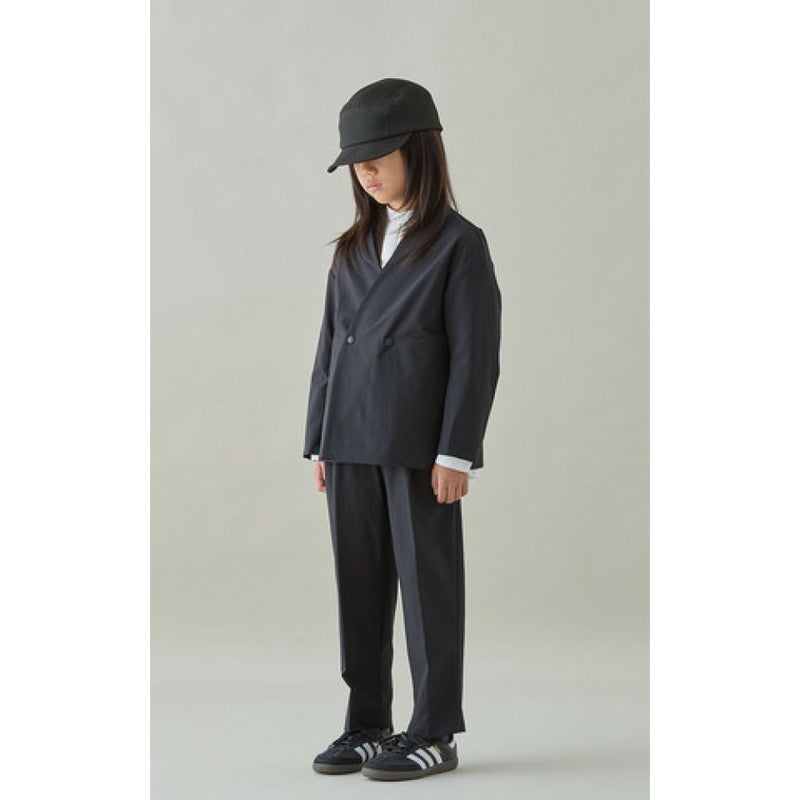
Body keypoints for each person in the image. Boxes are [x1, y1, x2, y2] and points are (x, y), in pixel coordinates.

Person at [303, 77, 502, 781]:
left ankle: (434, 729)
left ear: (418, 150)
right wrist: (319, 439)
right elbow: (329, 348)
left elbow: (476, 357)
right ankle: (367, 722)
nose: (365, 172)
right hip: (349, 441)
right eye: (356, 163)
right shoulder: (353, 247)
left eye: (376, 157)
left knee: (427, 588)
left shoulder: (459, 245)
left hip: (420, 449)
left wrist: (457, 452)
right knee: (358, 586)